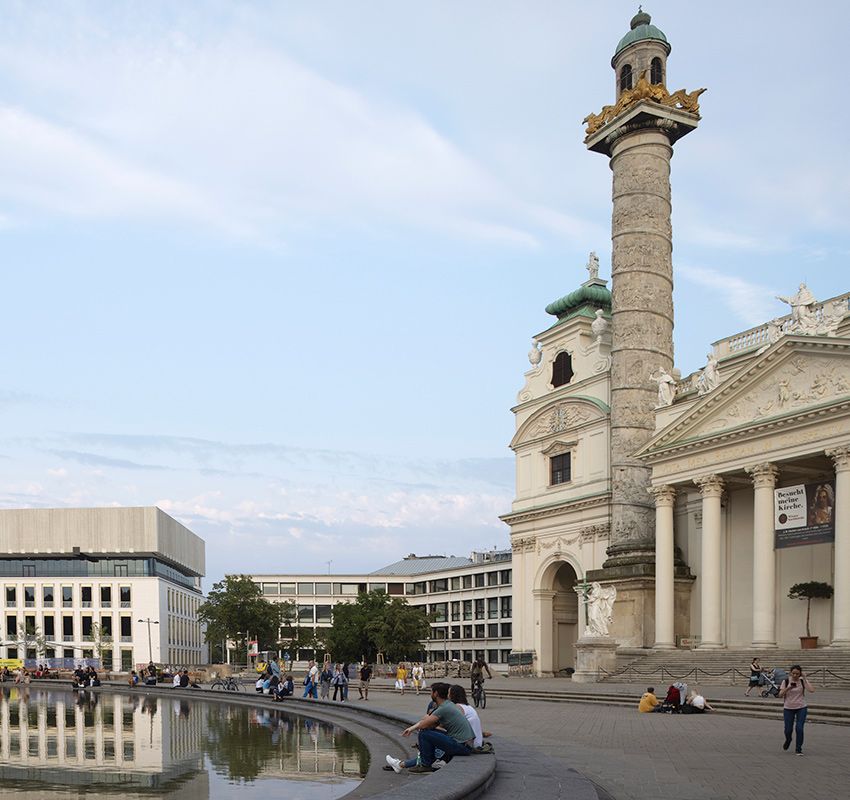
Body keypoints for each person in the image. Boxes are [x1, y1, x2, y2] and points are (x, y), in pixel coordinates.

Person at [385, 682, 476, 774]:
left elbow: (424, 724)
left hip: (462, 746)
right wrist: (411, 728)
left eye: (431, 692)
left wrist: (411, 729)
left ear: (436, 693)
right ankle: (401, 764)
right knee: (429, 734)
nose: (430, 694)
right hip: (466, 744)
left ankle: (425, 765)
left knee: (424, 734)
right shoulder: (449, 705)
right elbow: (427, 720)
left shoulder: (444, 709)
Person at [779, 665, 814, 755]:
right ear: (790, 673)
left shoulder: (802, 681)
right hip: (788, 708)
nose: (795, 675)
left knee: (799, 728)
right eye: (793, 673)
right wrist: (789, 688)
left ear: (800, 674)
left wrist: (805, 678)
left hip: (801, 707)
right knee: (788, 729)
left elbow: (811, 690)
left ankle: (798, 748)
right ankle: (788, 739)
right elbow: (780, 694)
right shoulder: (786, 681)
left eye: (797, 674)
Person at [448, 685, 492, 749]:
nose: (447, 695)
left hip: (469, 744)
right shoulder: (468, 707)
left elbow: (452, 727)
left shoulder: (457, 707)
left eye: (449, 693)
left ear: (453, 695)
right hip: (477, 742)